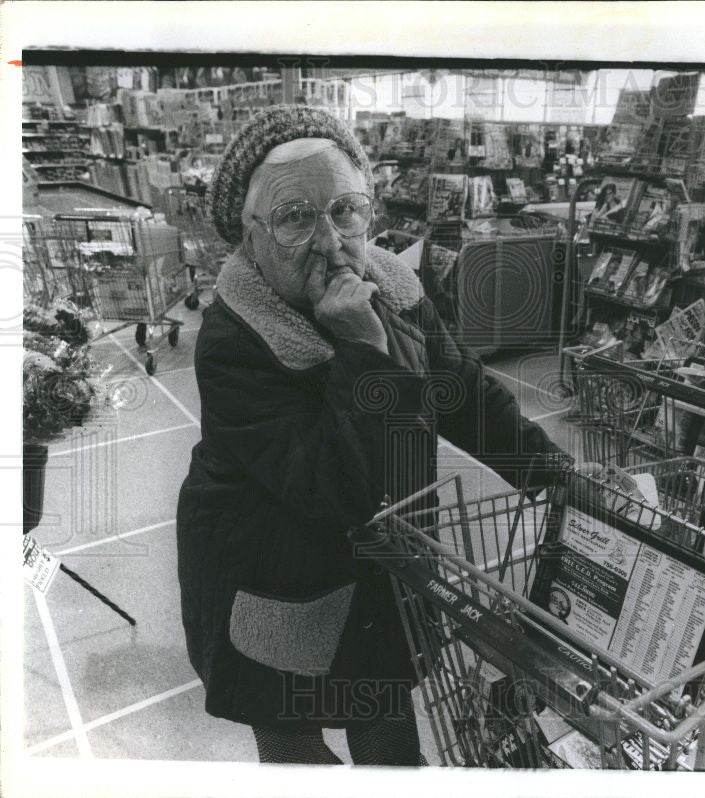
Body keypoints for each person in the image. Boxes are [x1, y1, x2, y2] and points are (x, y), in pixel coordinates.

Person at [176, 105, 567, 766]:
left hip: (385, 567)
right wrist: (364, 353)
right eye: (296, 217)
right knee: (294, 740)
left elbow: (464, 394)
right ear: (246, 235)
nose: (330, 242)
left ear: (370, 212)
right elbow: (331, 489)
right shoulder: (234, 339)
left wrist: (558, 475)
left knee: (389, 730)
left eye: (345, 211)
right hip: (275, 571)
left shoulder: (395, 286)